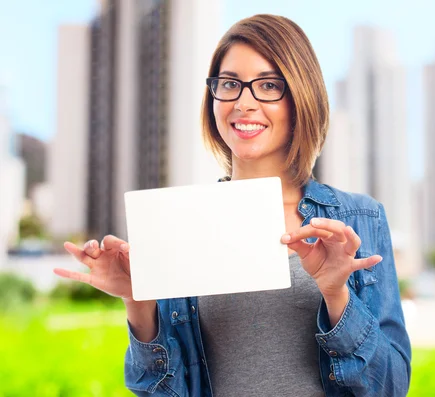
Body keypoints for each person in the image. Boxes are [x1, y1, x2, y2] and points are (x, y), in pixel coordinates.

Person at [55, 14, 411, 397]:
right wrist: (138, 300)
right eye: (229, 84)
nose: (244, 102)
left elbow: (391, 387)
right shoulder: (182, 226)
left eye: (268, 85)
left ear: (300, 96)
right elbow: (159, 390)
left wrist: (337, 293)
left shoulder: (359, 219)